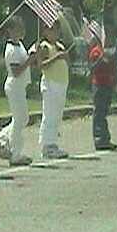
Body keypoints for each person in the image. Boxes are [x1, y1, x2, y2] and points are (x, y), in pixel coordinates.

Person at [0, 16, 37, 166]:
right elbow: (16, 71)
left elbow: (26, 61)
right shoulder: (10, 50)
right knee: (20, 119)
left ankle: (1, 138)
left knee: (22, 118)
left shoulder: (20, 46)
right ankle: (15, 153)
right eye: (17, 28)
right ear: (9, 31)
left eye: (22, 28)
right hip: (14, 85)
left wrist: (33, 56)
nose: (21, 31)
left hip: (20, 86)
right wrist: (29, 61)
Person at [36, 16, 72, 158]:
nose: (54, 33)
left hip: (61, 83)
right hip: (50, 83)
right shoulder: (45, 46)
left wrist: (65, 57)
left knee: (57, 115)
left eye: (57, 30)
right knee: (49, 114)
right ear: (45, 32)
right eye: (51, 30)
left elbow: (67, 63)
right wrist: (57, 57)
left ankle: (53, 142)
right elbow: (41, 65)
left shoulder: (60, 46)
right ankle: (46, 145)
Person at [88, 34, 117, 151]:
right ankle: (98, 137)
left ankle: (105, 137)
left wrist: (115, 82)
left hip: (108, 84)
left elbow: (114, 68)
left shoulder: (110, 53)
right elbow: (92, 68)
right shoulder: (96, 52)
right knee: (99, 112)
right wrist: (101, 58)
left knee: (104, 111)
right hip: (99, 85)